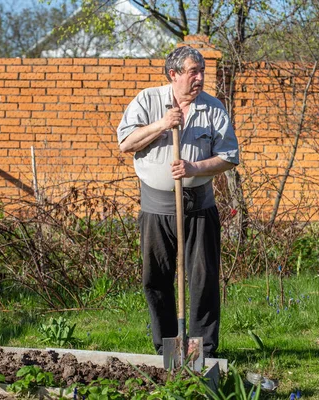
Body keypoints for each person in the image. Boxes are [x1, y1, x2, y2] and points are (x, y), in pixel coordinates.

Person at [116, 46, 239, 358]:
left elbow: (229, 156)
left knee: (203, 279)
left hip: (198, 206)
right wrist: (161, 124)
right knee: (155, 277)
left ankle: (201, 352)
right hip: (156, 208)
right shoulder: (147, 100)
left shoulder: (213, 108)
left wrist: (195, 168)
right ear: (173, 74)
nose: (199, 77)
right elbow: (125, 143)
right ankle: (167, 348)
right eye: (192, 71)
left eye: (201, 71)